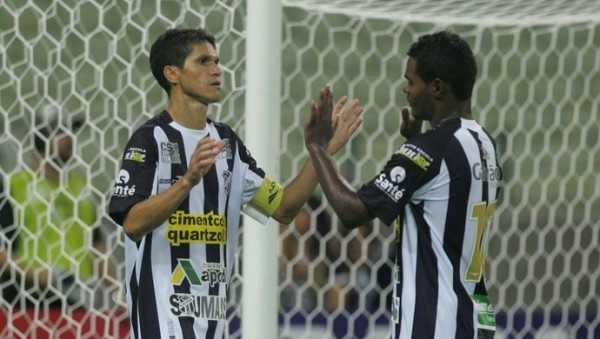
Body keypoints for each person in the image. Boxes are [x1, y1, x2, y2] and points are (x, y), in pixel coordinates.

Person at [107, 28, 364, 339]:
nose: (216, 69)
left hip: (215, 326)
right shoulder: (149, 140)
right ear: (172, 73)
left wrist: (321, 152)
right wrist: (187, 181)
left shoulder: (226, 143)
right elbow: (132, 223)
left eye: (217, 61)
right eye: (203, 61)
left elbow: (283, 207)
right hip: (162, 326)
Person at [304, 31, 502, 339]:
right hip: (478, 317)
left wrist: (318, 147)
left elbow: (351, 210)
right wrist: (415, 141)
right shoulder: (484, 143)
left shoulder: (431, 148)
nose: (406, 91)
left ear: (436, 87)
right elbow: (444, 196)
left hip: (435, 324)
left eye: (411, 82)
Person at [0, 117, 103, 310]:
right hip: (27, 299)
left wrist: (115, 293)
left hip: (79, 300)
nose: (70, 138)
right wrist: (38, 275)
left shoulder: (81, 187)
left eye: (71, 131)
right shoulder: (13, 185)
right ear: (41, 136)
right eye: (61, 132)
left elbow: (97, 246)